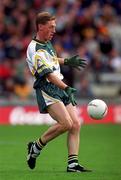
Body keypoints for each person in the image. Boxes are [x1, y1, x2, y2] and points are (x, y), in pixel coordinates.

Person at [26, 12, 90, 172]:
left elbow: (51, 59)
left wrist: (66, 61)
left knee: (75, 124)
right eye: (51, 27)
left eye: (54, 27)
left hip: (58, 84)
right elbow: (48, 75)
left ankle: (73, 164)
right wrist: (66, 88)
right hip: (47, 87)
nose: (54, 30)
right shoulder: (34, 49)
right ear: (40, 26)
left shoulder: (46, 42)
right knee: (66, 123)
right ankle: (35, 147)